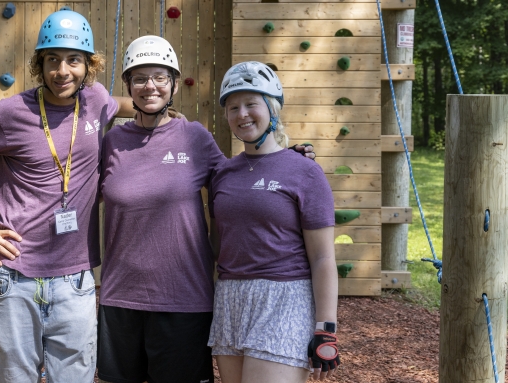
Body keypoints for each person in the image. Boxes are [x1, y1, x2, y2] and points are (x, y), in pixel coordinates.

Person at [96, 38, 315, 383]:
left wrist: (283, 163)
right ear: (128, 85)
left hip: (184, 299)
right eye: (139, 78)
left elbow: (238, 179)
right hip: (120, 297)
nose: (149, 86)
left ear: (172, 83)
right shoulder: (111, 143)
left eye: (159, 77)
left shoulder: (194, 138)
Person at [0, 10, 134, 383]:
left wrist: (152, 109)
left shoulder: (95, 101)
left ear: (89, 65)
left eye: (74, 60)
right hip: (15, 279)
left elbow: (118, 106)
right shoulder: (8, 114)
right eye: (52, 60)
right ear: (39, 64)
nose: (63, 71)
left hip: (75, 279)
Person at [207, 61, 340, 383]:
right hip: (230, 299)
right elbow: (218, 243)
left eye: (252, 104)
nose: (242, 114)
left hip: (284, 298)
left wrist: (326, 328)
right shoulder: (223, 173)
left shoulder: (305, 171)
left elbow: (323, 257)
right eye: (233, 107)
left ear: (272, 108)